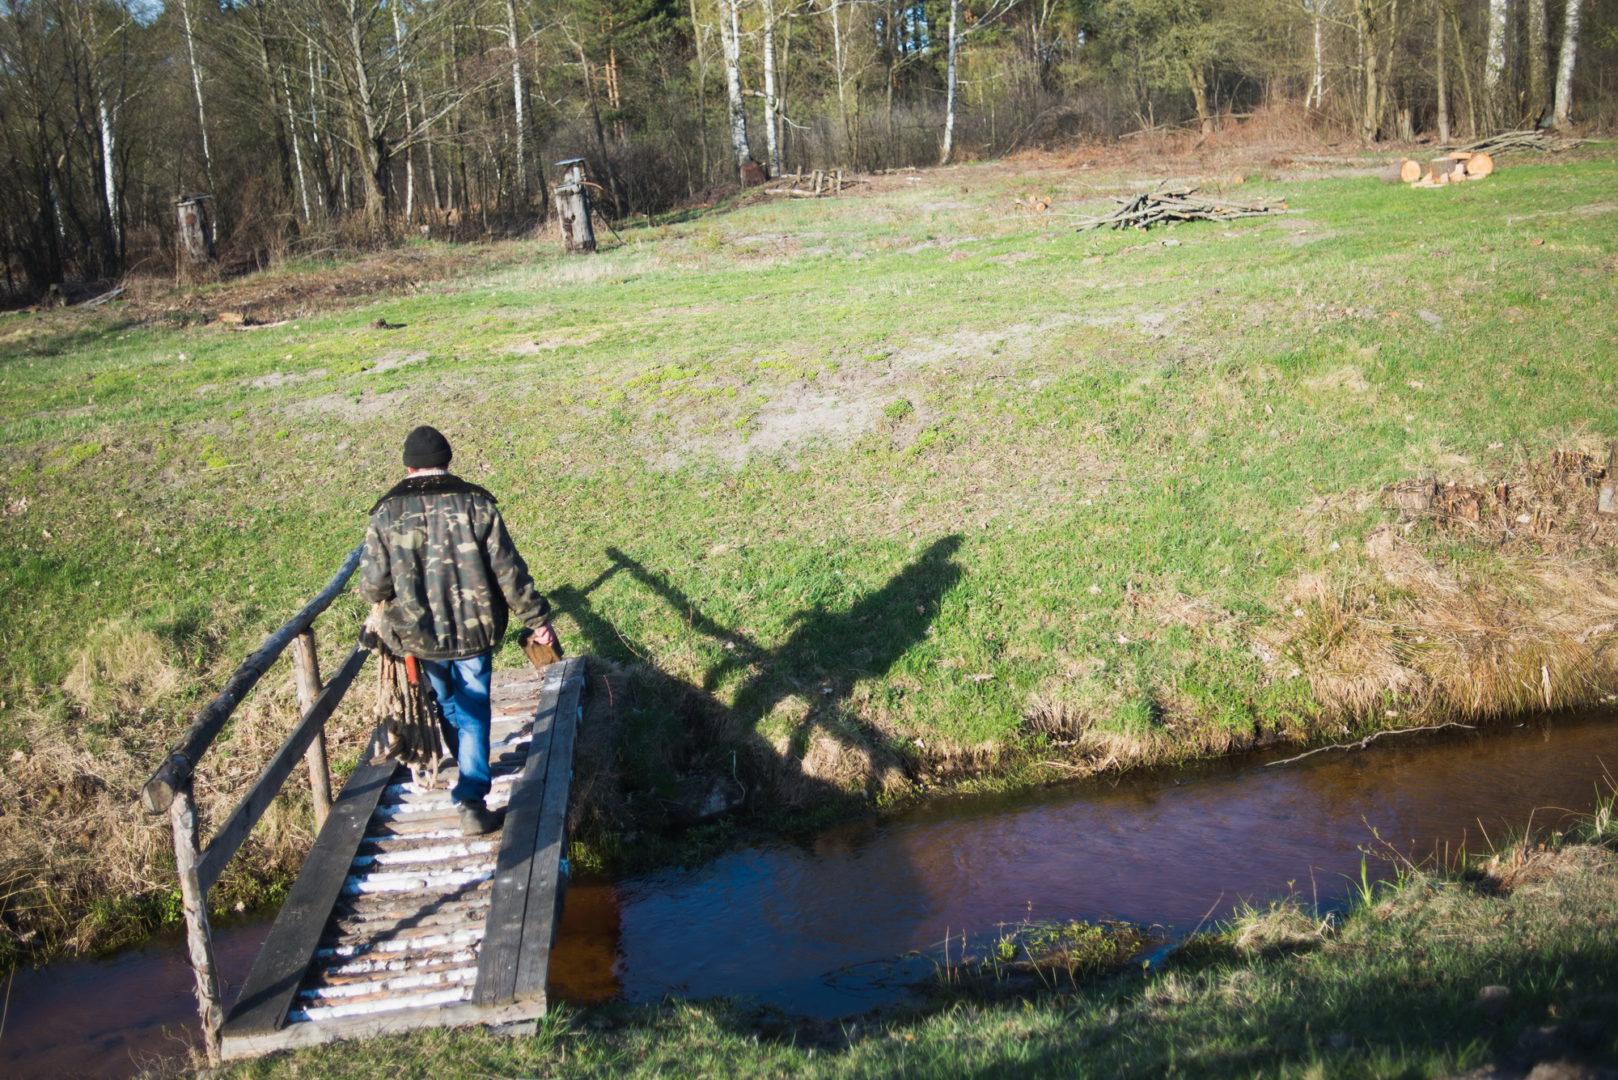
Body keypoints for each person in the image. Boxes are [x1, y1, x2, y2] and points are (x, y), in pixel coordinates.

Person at [359, 424, 559, 836]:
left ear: (408, 465)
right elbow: (508, 570)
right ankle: (470, 795)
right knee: (473, 705)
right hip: (475, 629)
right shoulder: (477, 503)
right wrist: (537, 620)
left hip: (418, 634)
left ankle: (468, 779)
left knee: (449, 702)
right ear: (447, 460)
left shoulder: (386, 513)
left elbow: (373, 586)